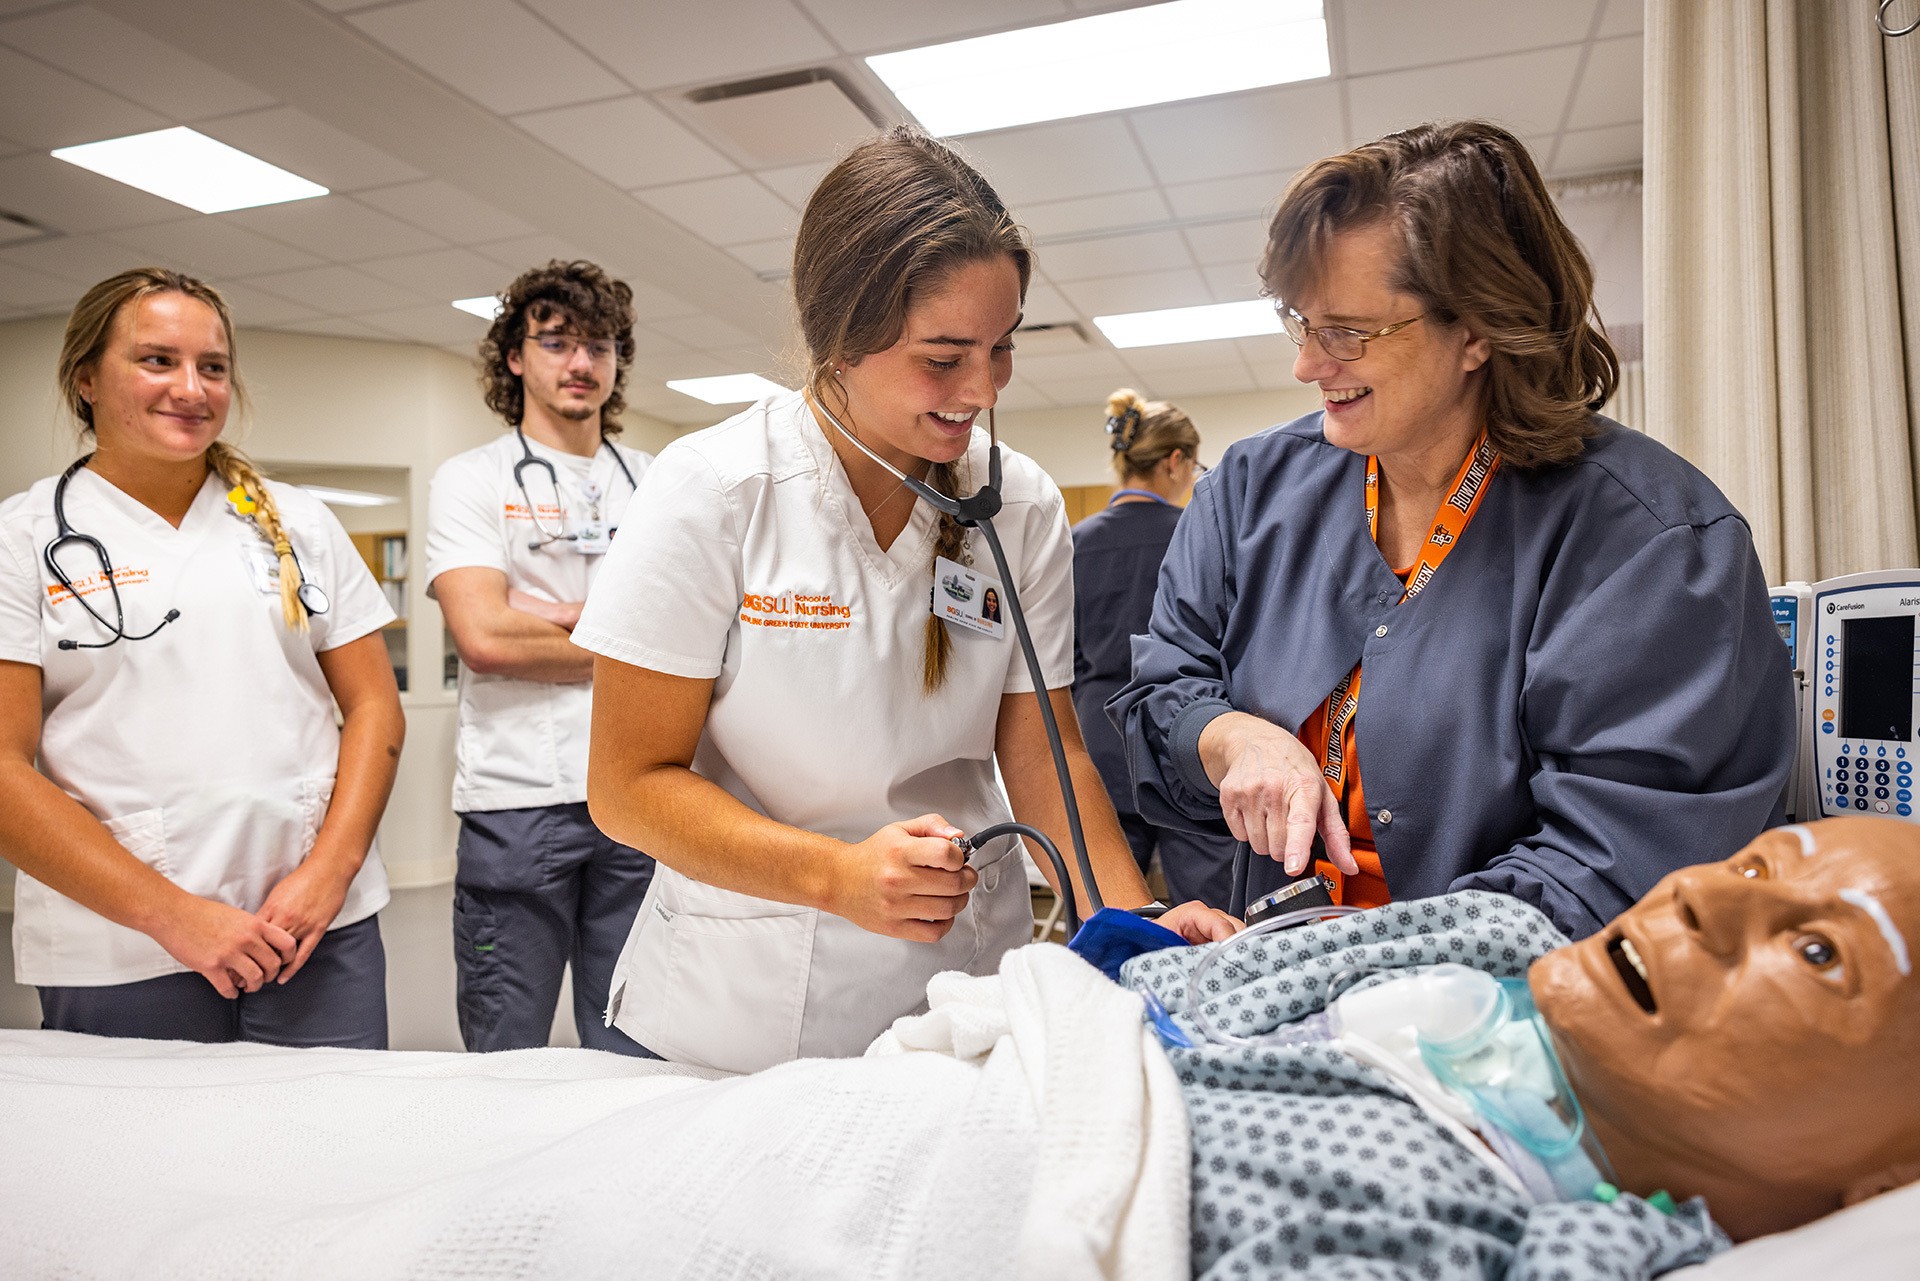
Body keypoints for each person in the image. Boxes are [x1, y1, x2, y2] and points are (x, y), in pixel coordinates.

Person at [573, 125, 1236, 1074]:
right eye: (942, 356)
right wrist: (834, 875)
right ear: (838, 337)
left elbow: (1046, 757)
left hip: (963, 991)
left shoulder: (1022, 505)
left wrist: (1136, 934)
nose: (981, 388)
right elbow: (626, 786)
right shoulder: (715, 492)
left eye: (1002, 348)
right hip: (746, 1013)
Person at [1111, 121, 1796, 938]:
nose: (1307, 365)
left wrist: (1342, 959)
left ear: (1476, 329)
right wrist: (1233, 738)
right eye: (1302, 323)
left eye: (1348, 332)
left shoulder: (1651, 543)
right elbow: (1164, 690)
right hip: (1275, 970)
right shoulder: (1252, 492)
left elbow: (1624, 859)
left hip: (1500, 1013)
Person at [1123, 815, 1920, 1276]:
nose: (1697, 891)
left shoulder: (1582, 1247)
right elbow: (1148, 988)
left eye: (1819, 952)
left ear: (1894, 1178)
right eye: (1751, 867)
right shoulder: (1491, 936)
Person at [0, 267, 402, 1047]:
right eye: (157, 360)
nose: (191, 387)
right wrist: (173, 915)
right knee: (149, 1164)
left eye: (212, 366)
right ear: (86, 379)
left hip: (314, 931)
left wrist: (330, 872)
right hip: (123, 944)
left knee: (341, 1155)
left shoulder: (298, 523)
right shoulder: (21, 542)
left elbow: (374, 706)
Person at [426, 260, 655, 1055]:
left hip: (641, 793)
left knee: (636, 1037)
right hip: (518, 799)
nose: (581, 362)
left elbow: (696, 638)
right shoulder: (471, 480)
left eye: (599, 344)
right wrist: (627, 635)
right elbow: (486, 639)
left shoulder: (656, 484)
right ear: (516, 357)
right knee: (505, 1048)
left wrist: (549, 617)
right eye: (556, 342)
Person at [1070, 388, 1240, 910]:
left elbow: (1061, 655)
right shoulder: (1198, 535)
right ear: (1175, 461)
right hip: (1184, 735)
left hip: (1097, 739)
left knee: (1106, 913)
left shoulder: (1074, 541)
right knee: (1211, 914)